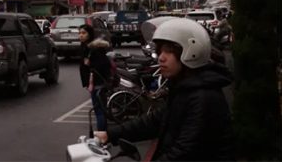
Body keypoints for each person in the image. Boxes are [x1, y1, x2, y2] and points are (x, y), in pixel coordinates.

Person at [94, 18, 234, 161]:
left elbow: (184, 152)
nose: (161, 58)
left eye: (169, 51)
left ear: (192, 52)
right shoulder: (186, 88)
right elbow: (154, 121)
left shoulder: (203, 97)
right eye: (160, 51)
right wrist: (110, 134)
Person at [78, 23, 112, 132]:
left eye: (83, 33)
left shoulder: (94, 49)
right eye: (79, 33)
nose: (81, 35)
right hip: (93, 83)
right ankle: (102, 135)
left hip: (98, 82)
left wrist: (90, 64)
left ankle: (101, 137)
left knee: (99, 111)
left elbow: (104, 64)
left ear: (90, 34)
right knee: (99, 110)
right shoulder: (86, 47)